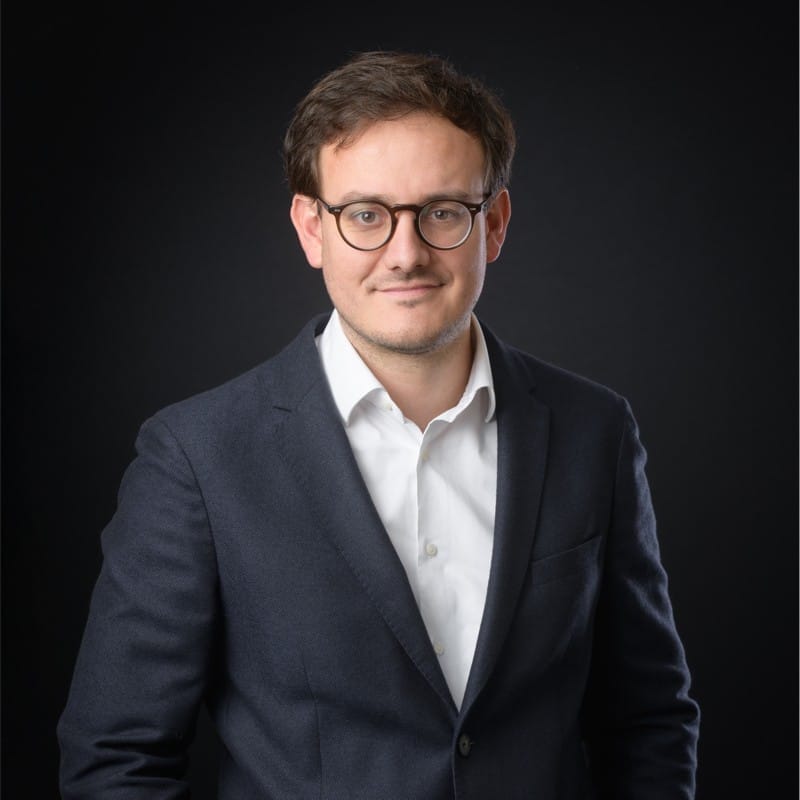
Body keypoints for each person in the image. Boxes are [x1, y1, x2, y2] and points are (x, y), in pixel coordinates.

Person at [58, 50, 700, 799]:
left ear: (493, 224)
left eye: (443, 212)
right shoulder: (198, 458)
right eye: (366, 215)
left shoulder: (595, 431)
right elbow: (116, 760)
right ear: (311, 229)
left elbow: (647, 722)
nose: (405, 254)